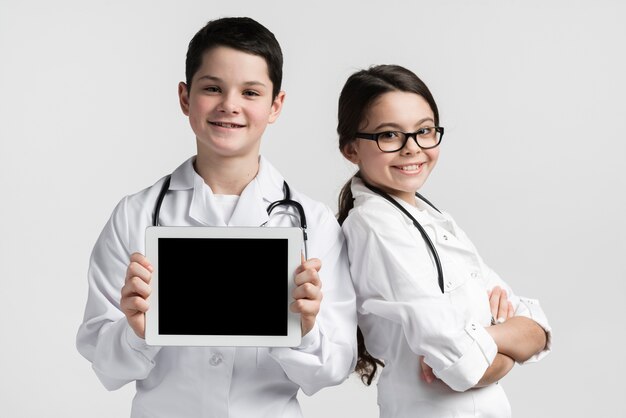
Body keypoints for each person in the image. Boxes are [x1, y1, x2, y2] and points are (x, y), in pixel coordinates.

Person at [76, 16, 357, 418]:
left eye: (251, 92)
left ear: (275, 105)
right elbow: (104, 365)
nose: (230, 105)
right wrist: (136, 331)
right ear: (185, 98)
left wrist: (304, 328)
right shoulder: (135, 215)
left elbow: (334, 368)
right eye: (212, 88)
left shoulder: (313, 224)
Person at [336, 64, 552, 418]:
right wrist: (501, 334)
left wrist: (489, 340)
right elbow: (465, 369)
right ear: (351, 149)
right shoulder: (375, 226)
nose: (412, 148)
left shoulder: (432, 218)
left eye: (424, 130)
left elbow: (539, 330)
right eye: (389, 135)